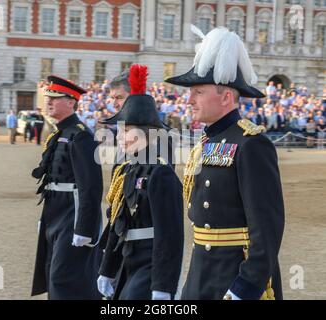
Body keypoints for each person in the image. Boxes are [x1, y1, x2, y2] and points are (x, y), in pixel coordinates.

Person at [165, 26, 285, 300]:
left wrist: (247, 285)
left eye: (198, 92)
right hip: (201, 272)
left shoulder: (251, 144)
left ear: (226, 97)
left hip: (235, 274)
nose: (189, 99)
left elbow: (266, 226)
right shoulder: (206, 143)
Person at [97, 64, 184, 300]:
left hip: (149, 256)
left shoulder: (158, 168)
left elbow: (169, 233)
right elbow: (120, 213)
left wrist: (163, 285)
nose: (119, 137)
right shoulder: (130, 165)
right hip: (125, 248)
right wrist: (107, 269)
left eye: (126, 131)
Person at [31, 75, 103, 299]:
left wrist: (85, 228)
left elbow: (90, 187)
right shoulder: (59, 133)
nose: (48, 102)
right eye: (47, 98)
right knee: (51, 270)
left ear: (71, 102)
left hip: (72, 213)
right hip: (55, 211)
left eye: (54, 98)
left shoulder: (81, 136)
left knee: (64, 276)